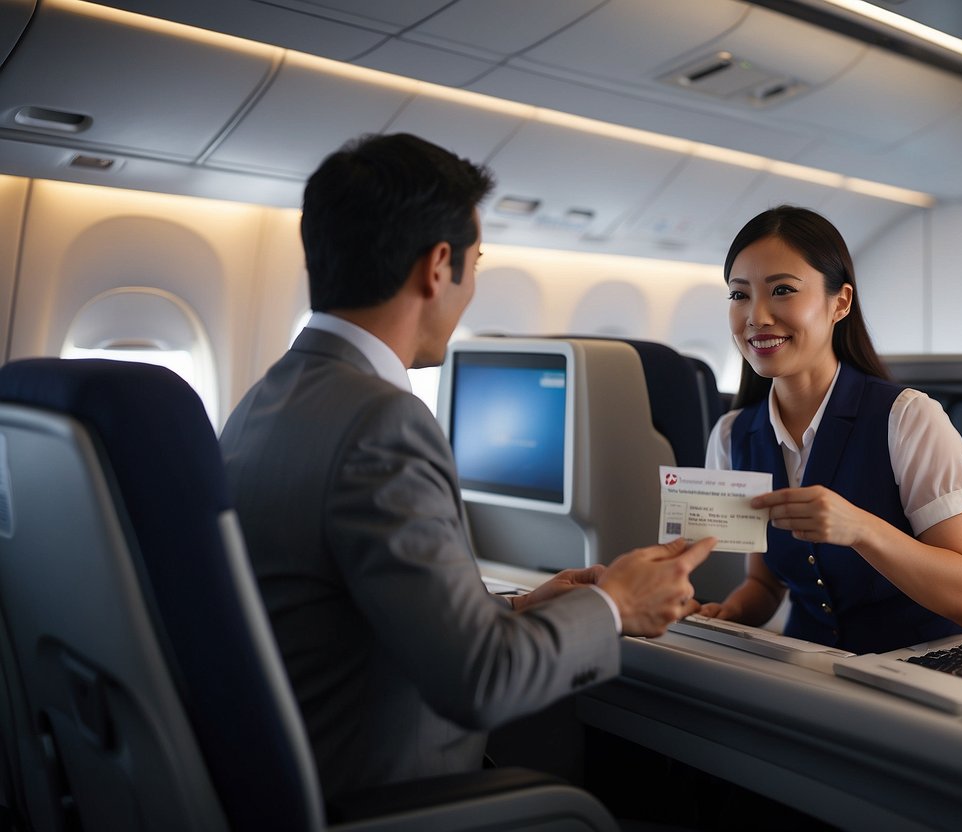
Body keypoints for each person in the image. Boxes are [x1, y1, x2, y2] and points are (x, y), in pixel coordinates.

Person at [219, 132, 715, 799]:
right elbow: (481, 683)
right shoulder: (382, 425)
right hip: (386, 803)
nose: (473, 285)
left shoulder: (261, 401)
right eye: (476, 263)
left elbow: (344, 613)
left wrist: (523, 608)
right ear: (437, 265)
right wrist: (615, 603)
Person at [695, 205, 962, 655]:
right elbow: (765, 582)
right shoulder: (733, 435)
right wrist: (730, 613)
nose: (756, 316)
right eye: (739, 295)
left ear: (841, 303)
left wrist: (861, 529)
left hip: (919, 672)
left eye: (783, 290)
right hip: (809, 673)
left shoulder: (908, 418)